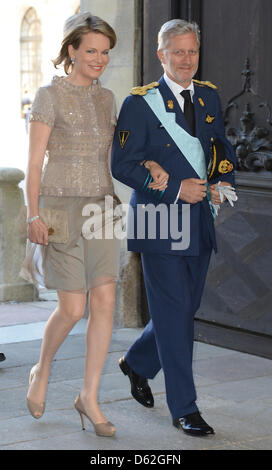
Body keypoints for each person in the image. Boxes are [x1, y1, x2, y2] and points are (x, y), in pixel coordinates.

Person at [111, 19, 236, 436]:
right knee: (177, 314)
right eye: (177, 52)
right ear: (161, 55)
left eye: (192, 52)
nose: (186, 60)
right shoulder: (139, 103)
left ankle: (138, 361)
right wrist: (174, 190)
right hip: (159, 220)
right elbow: (122, 165)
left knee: (184, 308)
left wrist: (222, 184)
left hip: (199, 220)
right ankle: (185, 407)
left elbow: (221, 150)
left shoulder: (209, 99)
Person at [21, 12, 120, 438]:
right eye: (92, 50)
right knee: (73, 307)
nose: (99, 59)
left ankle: (89, 396)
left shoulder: (108, 98)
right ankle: (42, 368)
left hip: (103, 206)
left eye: (105, 52)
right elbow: (34, 161)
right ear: (72, 51)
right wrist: (33, 214)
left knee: (103, 304)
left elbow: (113, 157)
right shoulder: (49, 95)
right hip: (60, 207)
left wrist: (150, 165)